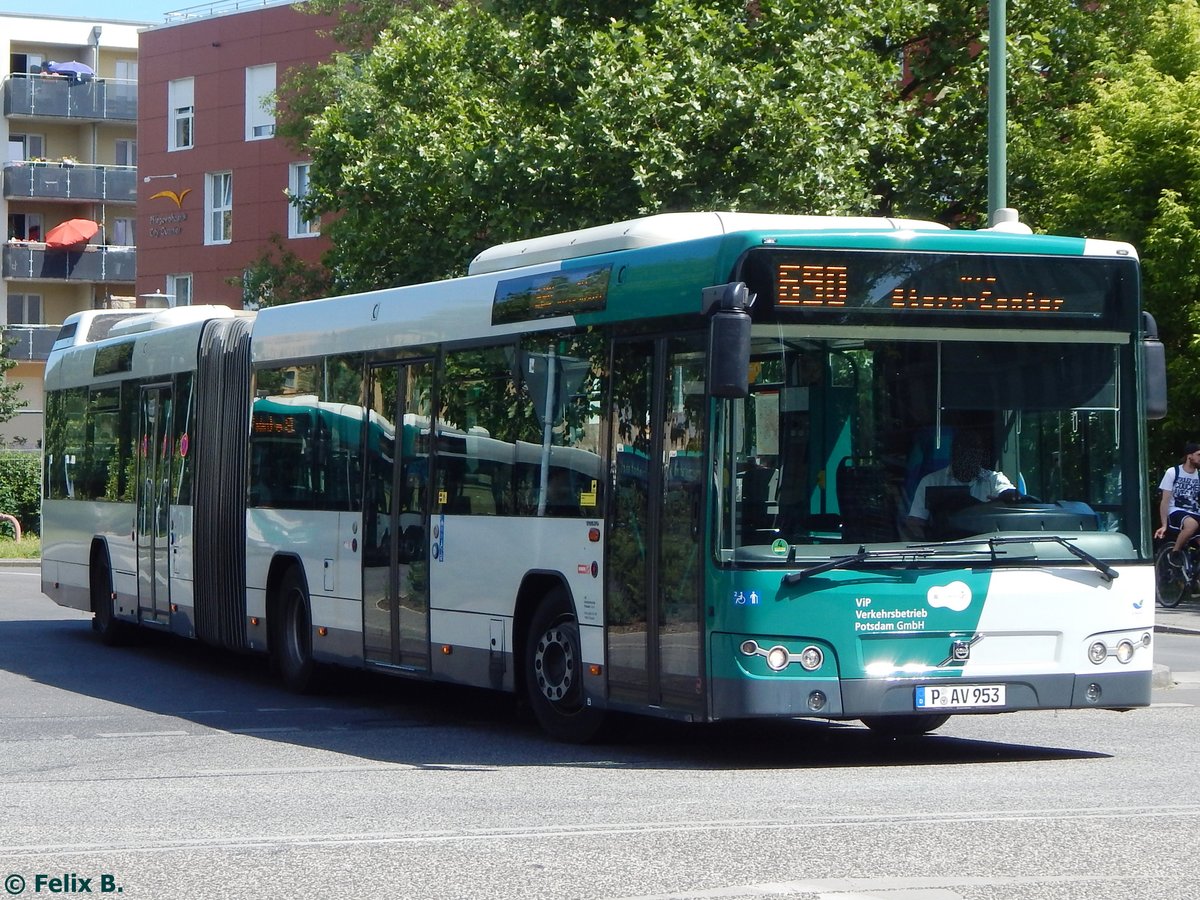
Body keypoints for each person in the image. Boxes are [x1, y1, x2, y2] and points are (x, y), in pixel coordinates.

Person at [905, 431, 1015, 536]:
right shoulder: (930, 481)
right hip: (942, 548)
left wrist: (1005, 500)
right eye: (963, 450)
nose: (968, 456)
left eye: (974, 451)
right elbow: (915, 523)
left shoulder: (994, 479)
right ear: (953, 452)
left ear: (981, 454)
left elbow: (1010, 493)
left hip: (986, 546)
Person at [1154, 442, 1200, 565]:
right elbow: (1165, 500)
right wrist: (1164, 525)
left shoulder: (1198, 475)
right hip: (1176, 511)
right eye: (1199, 455)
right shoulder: (1173, 472)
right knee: (1191, 525)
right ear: (1189, 456)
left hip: (1194, 511)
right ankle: (1175, 553)